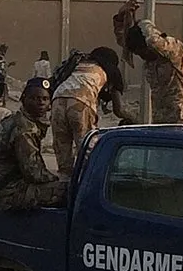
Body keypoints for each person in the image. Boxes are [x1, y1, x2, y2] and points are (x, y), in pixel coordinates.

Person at [51, 46, 136, 179]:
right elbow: (118, 109)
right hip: (81, 102)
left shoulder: (77, 64)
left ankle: (64, 185)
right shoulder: (111, 71)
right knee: (86, 150)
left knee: (62, 152)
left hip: (57, 100)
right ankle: (86, 184)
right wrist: (134, 118)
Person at [0, 78, 67, 210]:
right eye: (34, 98)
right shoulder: (24, 129)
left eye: (45, 99)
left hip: (7, 187)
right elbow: (34, 173)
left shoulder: (20, 120)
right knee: (69, 191)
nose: (40, 103)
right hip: (10, 193)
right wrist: (58, 179)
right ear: (24, 99)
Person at [113, 0, 183, 124]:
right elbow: (123, 41)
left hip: (181, 117)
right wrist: (122, 16)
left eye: (144, 52)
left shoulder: (174, 51)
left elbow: (153, 40)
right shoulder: (151, 60)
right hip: (160, 117)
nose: (143, 56)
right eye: (139, 54)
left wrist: (143, 24)